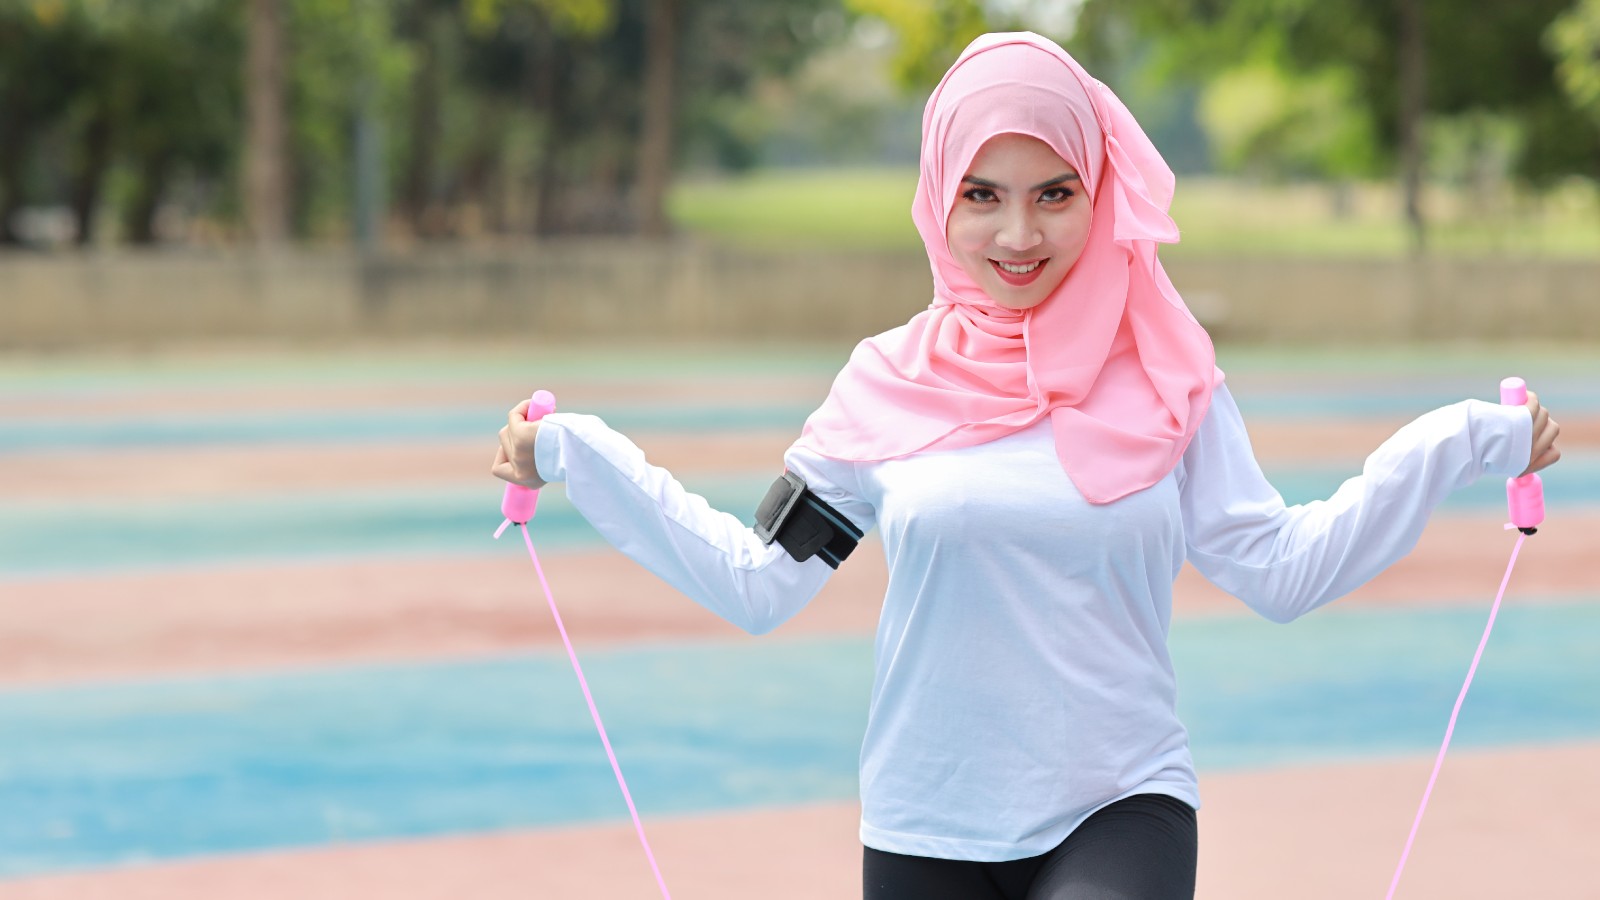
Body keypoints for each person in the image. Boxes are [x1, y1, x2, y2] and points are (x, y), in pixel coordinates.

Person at [491, 31, 1562, 900]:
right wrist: (576, 452)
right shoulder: (883, 390)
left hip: (1120, 803)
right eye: (981, 195)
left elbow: (1278, 569)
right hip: (924, 821)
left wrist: (1466, 436)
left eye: (1055, 192)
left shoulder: (1168, 377)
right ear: (936, 200)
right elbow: (759, 580)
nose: (1017, 234)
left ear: (1101, 193)